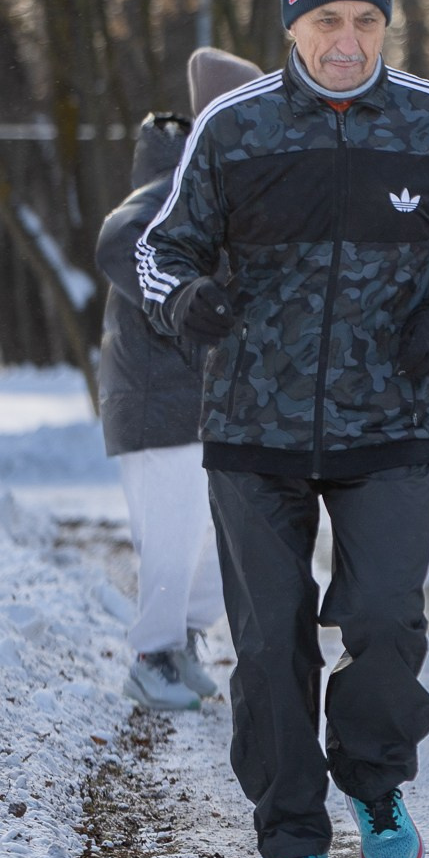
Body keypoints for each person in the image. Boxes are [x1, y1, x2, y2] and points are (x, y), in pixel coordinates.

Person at [138, 0, 429, 858]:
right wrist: (187, 302)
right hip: (252, 427)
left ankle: (376, 786)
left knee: (385, 621)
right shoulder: (237, 127)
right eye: (327, 21)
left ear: (387, 23)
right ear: (292, 25)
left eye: (367, 21)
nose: (347, 42)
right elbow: (159, 249)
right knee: (271, 645)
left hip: (388, 422)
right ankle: (291, 834)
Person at [95, 46, 261, 713]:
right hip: (156, 394)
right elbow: (120, 239)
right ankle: (151, 657)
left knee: (214, 535)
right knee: (171, 535)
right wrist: (179, 302)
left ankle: (181, 639)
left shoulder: (222, 180)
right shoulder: (175, 180)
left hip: (194, 397)